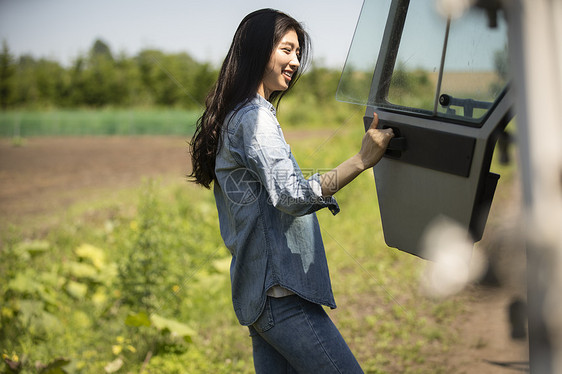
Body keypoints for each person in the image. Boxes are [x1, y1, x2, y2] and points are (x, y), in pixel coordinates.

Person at [190, 8, 394, 373]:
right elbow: (291, 196)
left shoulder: (236, 114)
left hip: (261, 299)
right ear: (258, 49)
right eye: (287, 49)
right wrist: (360, 161)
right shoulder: (254, 116)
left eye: (297, 53)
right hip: (281, 297)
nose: (295, 62)